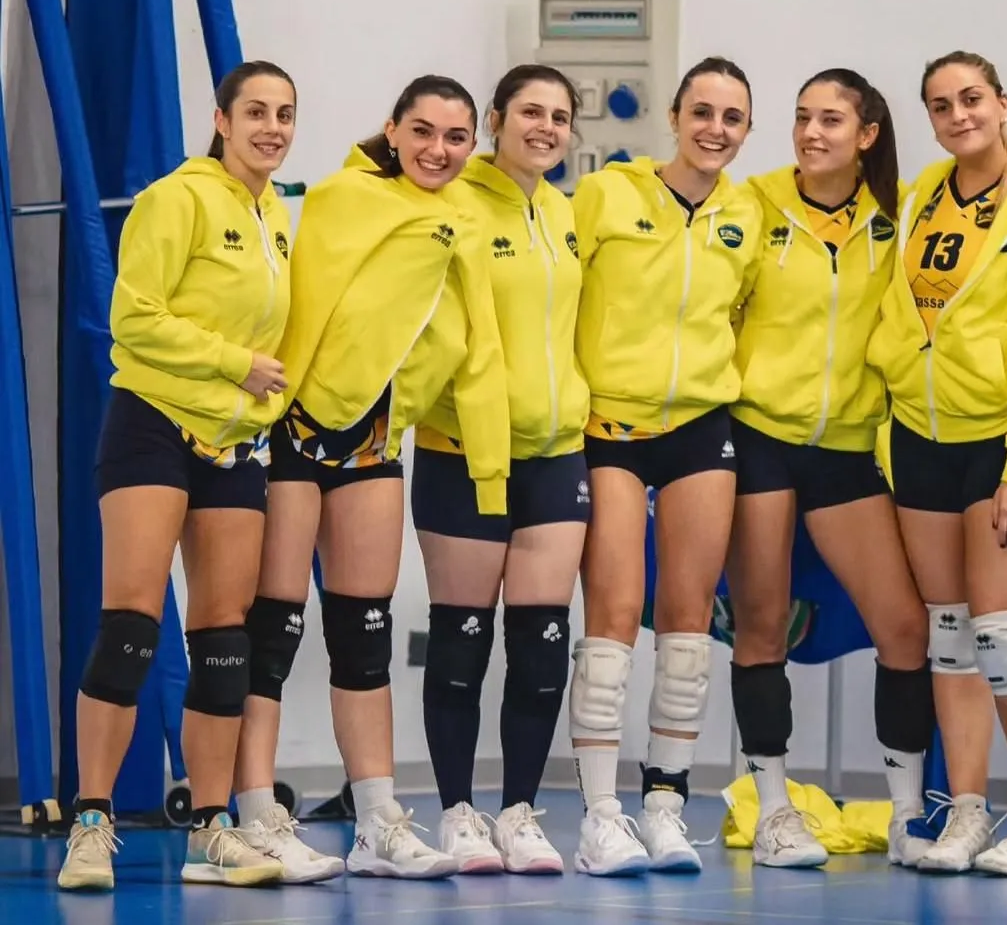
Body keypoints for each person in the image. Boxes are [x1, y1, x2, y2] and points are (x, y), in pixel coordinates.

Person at [230, 75, 511, 883]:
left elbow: (477, 347)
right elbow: (303, 308)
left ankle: (377, 819)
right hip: (293, 433)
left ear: (473, 145)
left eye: (455, 138)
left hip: (375, 445)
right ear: (392, 129)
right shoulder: (340, 199)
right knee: (272, 632)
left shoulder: (465, 221)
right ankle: (257, 814)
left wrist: (490, 470)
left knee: (364, 635)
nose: (437, 150)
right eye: (422, 131)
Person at [57, 61, 298, 891]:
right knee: (130, 626)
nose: (271, 127)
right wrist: (237, 364)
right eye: (256, 112)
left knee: (225, 639)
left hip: (232, 443)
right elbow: (133, 316)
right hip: (153, 424)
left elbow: (278, 342)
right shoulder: (177, 198)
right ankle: (91, 824)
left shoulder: (274, 218)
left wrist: (265, 397)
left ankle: (212, 828)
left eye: (285, 115)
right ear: (222, 121)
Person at [867, 50, 1007, 876]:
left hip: (1002, 445)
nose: (958, 116)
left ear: (1002, 103)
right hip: (920, 439)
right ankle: (965, 814)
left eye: (971, 99)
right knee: (951, 636)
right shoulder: (924, 194)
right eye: (940, 105)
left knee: (1002, 636)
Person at [728, 69, 934, 870]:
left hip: (847, 445)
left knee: (905, 628)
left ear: (867, 134)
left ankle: (909, 814)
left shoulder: (898, 216)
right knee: (761, 625)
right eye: (802, 117)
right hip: (758, 437)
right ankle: (775, 810)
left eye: (831, 120)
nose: (812, 133)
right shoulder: (756, 203)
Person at [567, 56, 764, 877]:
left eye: (732, 117)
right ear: (675, 117)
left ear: (745, 130)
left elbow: (744, 313)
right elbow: (558, 293)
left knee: (688, 623)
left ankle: (665, 806)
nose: (715, 129)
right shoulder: (606, 194)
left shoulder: (747, 214)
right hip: (610, 425)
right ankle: (600, 816)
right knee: (614, 614)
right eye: (702, 112)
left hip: (700, 426)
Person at [411, 64, 590, 876]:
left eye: (559, 116)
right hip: (465, 454)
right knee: (460, 643)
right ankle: (457, 812)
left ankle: (519, 812)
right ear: (495, 119)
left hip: (557, 451)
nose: (545, 127)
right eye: (530, 111)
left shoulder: (564, 212)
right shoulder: (454, 203)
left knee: (543, 646)